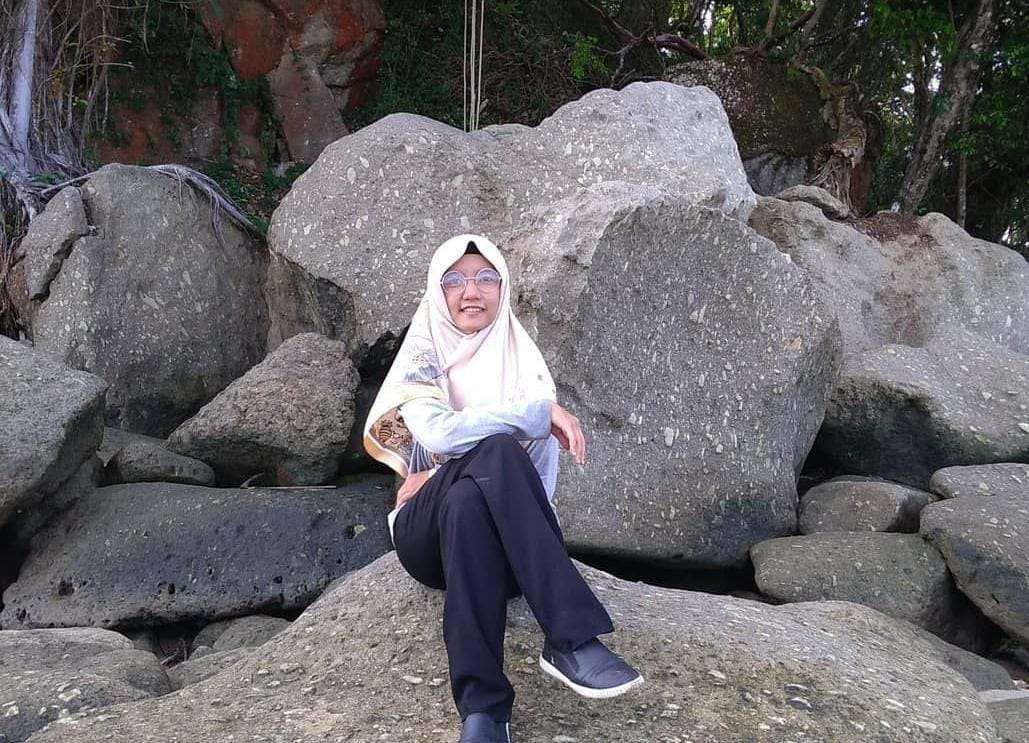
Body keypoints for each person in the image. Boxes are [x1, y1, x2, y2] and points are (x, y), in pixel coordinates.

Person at [362, 233, 643, 743]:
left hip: (508, 553)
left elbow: (531, 487)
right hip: (424, 542)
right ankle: (570, 639)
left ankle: (484, 714)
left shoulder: (526, 368)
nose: (471, 291)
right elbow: (438, 433)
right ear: (437, 291)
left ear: (503, 287)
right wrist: (528, 419)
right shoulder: (423, 355)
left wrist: (443, 475)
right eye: (455, 280)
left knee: (469, 500)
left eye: (486, 278)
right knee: (495, 451)